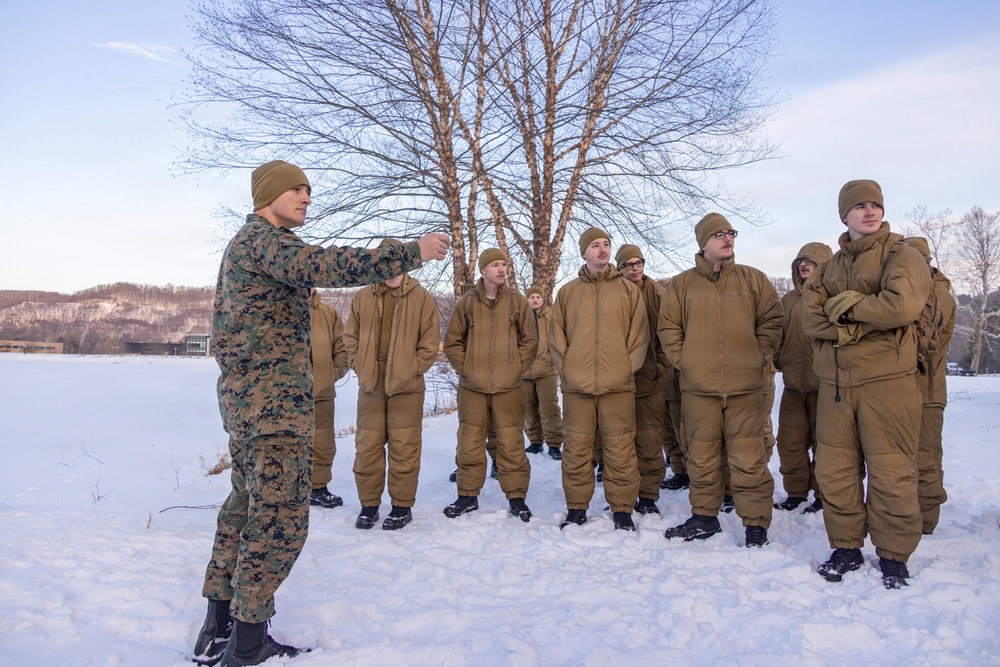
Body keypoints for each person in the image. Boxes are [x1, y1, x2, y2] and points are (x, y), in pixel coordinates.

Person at [193, 159, 449, 667]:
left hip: (253, 409)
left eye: (308, 190)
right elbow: (323, 264)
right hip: (272, 412)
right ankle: (247, 645)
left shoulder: (249, 245)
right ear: (268, 195)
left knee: (244, 509)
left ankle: (218, 628)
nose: (306, 197)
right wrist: (409, 253)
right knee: (278, 521)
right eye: (296, 189)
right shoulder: (265, 242)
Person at [803, 179, 931, 589]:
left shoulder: (902, 255)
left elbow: (901, 305)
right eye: (860, 206)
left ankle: (893, 554)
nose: (870, 211)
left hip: (887, 382)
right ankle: (846, 546)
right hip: (836, 384)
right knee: (835, 470)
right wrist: (860, 323)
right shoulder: (828, 267)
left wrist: (847, 310)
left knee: (892, 470)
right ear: (845, 215)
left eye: (875, 205)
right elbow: (811, 318)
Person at [659, 213, 783, 548]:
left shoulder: (753, 279)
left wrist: (759, 355)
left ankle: (755, 523)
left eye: (730, 233)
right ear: (703, 243)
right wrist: (686, 362)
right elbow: (668, 328)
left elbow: (772, 320)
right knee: (701, 456)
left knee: (749, 458)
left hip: (746, 389)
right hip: (699, 389)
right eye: (719, 234)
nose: (727, 239)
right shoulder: (681, 285)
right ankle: (704, 517)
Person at [550, 228, 648, 531]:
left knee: (620, 449)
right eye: (595, 245)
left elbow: (639, 337)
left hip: (617, 385)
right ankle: (576, 508)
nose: (602, 249)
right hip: (577, 387)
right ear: (584, 252)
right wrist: (569, 372)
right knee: (576, 450)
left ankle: (622, 508)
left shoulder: (628, 291)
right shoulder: (567, 292)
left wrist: (624, 369)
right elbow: (556, 338)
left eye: (606, 244)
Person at [343, 239, 441, 531]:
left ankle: (401, 506)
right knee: (367, 447)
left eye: (395, 262)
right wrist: (359, 364)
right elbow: (350, 337)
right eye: (385, 262)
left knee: (404, 447)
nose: (390, 268)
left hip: (406, 386)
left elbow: (430, 343)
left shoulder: (421, 297)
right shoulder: (363, 296)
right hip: (371, 384)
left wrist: (411, 370)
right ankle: (369, 505)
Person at [442, 249, 537, 521]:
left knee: (511, 443)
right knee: (469, 442)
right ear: (483, 270)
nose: (501, 269)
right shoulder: (467, 303)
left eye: (504, 264)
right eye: (495, 264)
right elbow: (453, 342)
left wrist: (514, 368)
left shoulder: (518, 302)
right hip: (473, 388)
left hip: (508, 388)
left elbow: (530, 341)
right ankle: (467, 495)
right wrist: (467, 369)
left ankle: (517, 497)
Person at [772, 242, 833, 513]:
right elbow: (777, 335)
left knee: (825, 445)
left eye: (810, 261)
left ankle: (823, 495)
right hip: (794, 385)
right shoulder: (789, 300)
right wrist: (779, 359)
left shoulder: (834, 296)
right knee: (790, 443)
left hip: (826, 387)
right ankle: (795, 492)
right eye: (800, 262)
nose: (803, 265)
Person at [904, 236, 956, 535]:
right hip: (903, 390)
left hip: (927, 392)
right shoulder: (914, 291)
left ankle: (925, 518)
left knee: (925, 457)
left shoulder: (938, 296)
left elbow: (922, 342)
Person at [616, 244, 668, 515]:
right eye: (629, 264)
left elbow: (669, 332)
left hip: (649, 377)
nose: (635, 268)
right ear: (620, 268)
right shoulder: (614, 292)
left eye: (639, 263)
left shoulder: (658, 293)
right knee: (619, 441)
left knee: (649, 437)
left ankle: (648, 495)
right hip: (617, 379)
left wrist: (661, 365)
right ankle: (622, 495)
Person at [308, 290, 349, 509]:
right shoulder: (278, 309)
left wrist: (330, 375)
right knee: (285, 442)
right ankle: (286, 491)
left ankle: (318, 488)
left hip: (321, 392)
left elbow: (343, 349)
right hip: (284, 396)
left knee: (323, 443)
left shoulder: (328, 314)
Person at [522, 285, 564, 461]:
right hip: (524, 372)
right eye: (532, 297)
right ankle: (535, 441)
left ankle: (554, 444)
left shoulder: (551, 317)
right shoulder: (521, 317)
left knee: (549, 408)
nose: (535, 300)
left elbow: (558, 340)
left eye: (538, 297)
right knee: (528, 409)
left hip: (546, 370)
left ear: (542, 299)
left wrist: (555, 362)